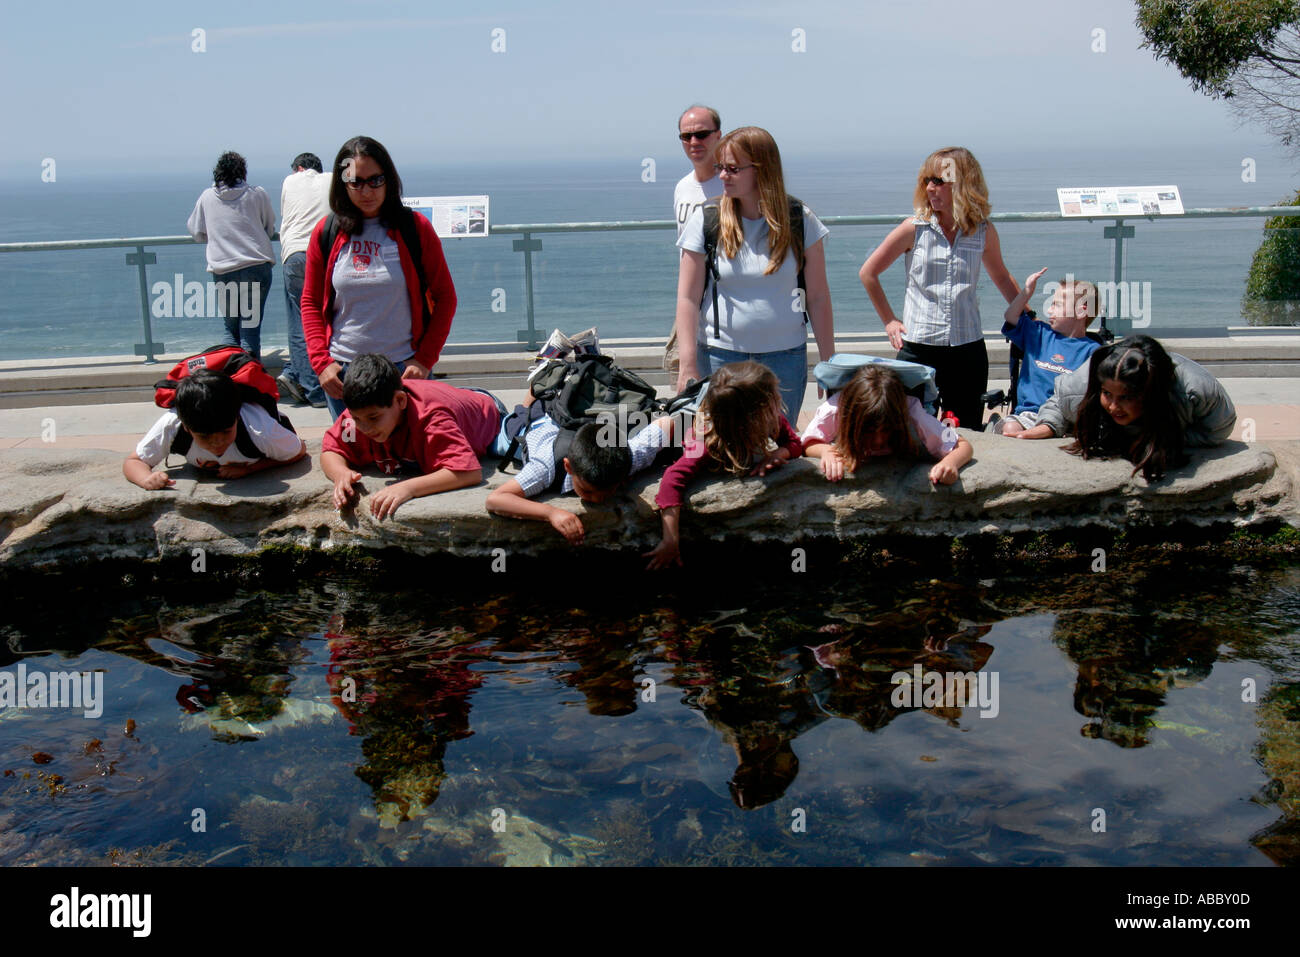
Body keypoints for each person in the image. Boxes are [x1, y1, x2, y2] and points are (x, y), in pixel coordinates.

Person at [673, 127, 835, 422]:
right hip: (721, 357)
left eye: (733, 169)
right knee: (725, 451)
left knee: (778, 452)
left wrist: (830, 363)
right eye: (720, 167)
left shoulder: (801, 219)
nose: (722, 176)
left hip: (786, 358)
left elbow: (819, 297)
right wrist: (687, 363)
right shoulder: (706, 219)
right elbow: (687, 297)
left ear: (762, 169)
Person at [859, 147, 1021, 431]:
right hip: (919, 348)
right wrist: (889, 320)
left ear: (962, 185)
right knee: (909, 432)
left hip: (967, 350)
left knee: (965, 431)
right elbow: (869, 272)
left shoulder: (982, 231)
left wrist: (1032, 324)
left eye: (938, 181)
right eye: (926, 181)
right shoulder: (914, 228)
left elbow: (1002, 278)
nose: (930, 188)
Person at [301, 136, 457, 420]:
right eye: (355, 182)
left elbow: (446, 297)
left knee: (412, 456)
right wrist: (321, 364)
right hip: (344, 376)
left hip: (404, 372)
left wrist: (424, 359)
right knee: (350, 451)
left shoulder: (416, 229)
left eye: (375, 180)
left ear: (389, 179)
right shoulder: (326, 232)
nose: (366, 190)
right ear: (342, 184)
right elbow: (310, 302)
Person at [646, 362, 802, 569]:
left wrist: (777, 453)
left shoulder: (770, 420)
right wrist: (670, 539)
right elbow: (672, 479)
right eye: (774, 397)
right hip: (671, 430)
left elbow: (795, 444)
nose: (781, 399)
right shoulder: (706, 445)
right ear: (753, 416)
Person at [1019, 335, 1237, 481]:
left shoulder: (1198, 394)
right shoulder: (1079, 388)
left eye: (1126, 397)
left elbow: (1217, 431)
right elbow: (1058, 401)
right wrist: (1049, 424)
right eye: (1107, 394)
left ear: (1151, 395)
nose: (1114, 406)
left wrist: (1158, 438)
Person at [320, 354, 501, 518]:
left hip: (486, 410)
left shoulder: (431, 419)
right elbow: (332, 450)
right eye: (357, 418)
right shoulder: (355, 419)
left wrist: (408, 488)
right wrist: (340, 474)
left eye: (373, 418)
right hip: (442, 395)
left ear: (400, 401)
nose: (364, 428)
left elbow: (468, 472)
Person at [485, 405, 676, 544]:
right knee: (492, 441)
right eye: (588, 490)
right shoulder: (545, 466)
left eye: (608, 490)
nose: (598, 499)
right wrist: (551, 513)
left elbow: (667, 422)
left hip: (578, 428)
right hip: (526, 429)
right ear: (568, 467)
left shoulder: (629, 458)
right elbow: (495, 500)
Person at [124, 369, 306, 489]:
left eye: (226, 432)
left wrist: (252, 469)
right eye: (204, 437)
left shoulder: (259, 429)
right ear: (187, 428)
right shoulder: (173, 424)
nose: (217, 442)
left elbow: (298, 451)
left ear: (237, 417)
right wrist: (145, 479)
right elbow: (134, 461)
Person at [801, 364, 973, 485]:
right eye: (868, 431)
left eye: (887, 430)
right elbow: (808, 442)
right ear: (852, 422)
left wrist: (950, 463)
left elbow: (962, 444)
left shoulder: (913, 412)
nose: (878, 440)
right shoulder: (836, 410)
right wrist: (826, 452)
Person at [187, 151, 276, 361]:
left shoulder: (207, 197)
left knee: (230, 327)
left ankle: (230, 378)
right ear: (242, 173)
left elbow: (196, 231)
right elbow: (269, 228)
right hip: (255, 265)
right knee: (250, 327)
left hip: (223, 268)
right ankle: (250, 377)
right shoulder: (257, 194)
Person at [993, 269, 1103, 435]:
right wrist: (1027, 292)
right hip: (1030, 414)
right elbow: (1011, 316)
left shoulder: (1092, 351)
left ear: (1082, 310)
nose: (1050, 311)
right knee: (1010, 428)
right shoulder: (1039, 333)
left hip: (1067, 418)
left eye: (1056, 305)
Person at [666, 105, 725, 376]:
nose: (693, 142)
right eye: (686, 136)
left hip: (724, 309)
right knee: (688, 395)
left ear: (718, 136)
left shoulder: (732, 187)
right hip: (691, 306)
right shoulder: (682, 187)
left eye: (702, 134)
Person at [277, 151, 331, 408]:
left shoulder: (289, 181)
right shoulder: (331, 180)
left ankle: (309, 386)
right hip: (322, 254)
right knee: (324, 317)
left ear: (297, 168)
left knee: (299, 322)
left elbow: (286, 218)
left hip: (294, 255)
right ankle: (301, 375)